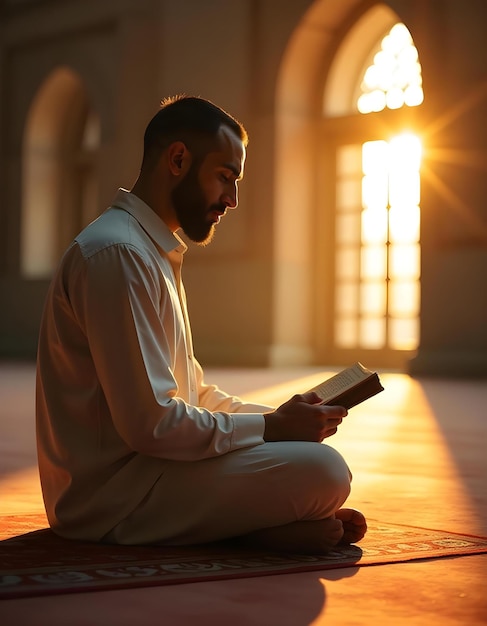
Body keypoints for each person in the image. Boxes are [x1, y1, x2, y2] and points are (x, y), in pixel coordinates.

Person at [36, 95, 367, 553]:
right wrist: (272, 429)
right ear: (178, 159)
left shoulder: (152, 251)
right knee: (323, 472)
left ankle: (258, 526)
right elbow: (151, 425)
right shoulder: (119, 254)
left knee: (318, 463)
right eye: (225, 177)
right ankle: (255, 529)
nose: (232, 199)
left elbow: (194, 395)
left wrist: (279, 417)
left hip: (158, 470)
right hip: (111, 499)